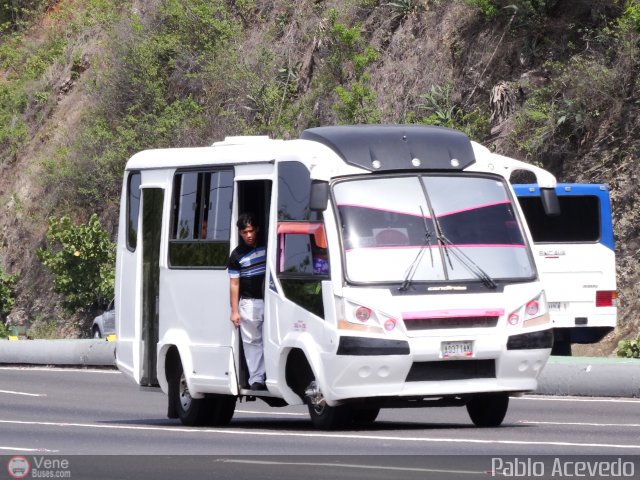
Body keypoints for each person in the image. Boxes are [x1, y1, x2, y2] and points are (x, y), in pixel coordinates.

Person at [227, 213, 267, 390]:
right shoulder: (236, 255)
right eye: (244, 232)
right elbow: (234, 283)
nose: (248, 235)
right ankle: (257, 379)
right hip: (250, 302)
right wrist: (234, 311)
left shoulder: (269, 246)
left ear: (257, 229)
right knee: (252, 342)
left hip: (273, 299)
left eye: (250, 231)